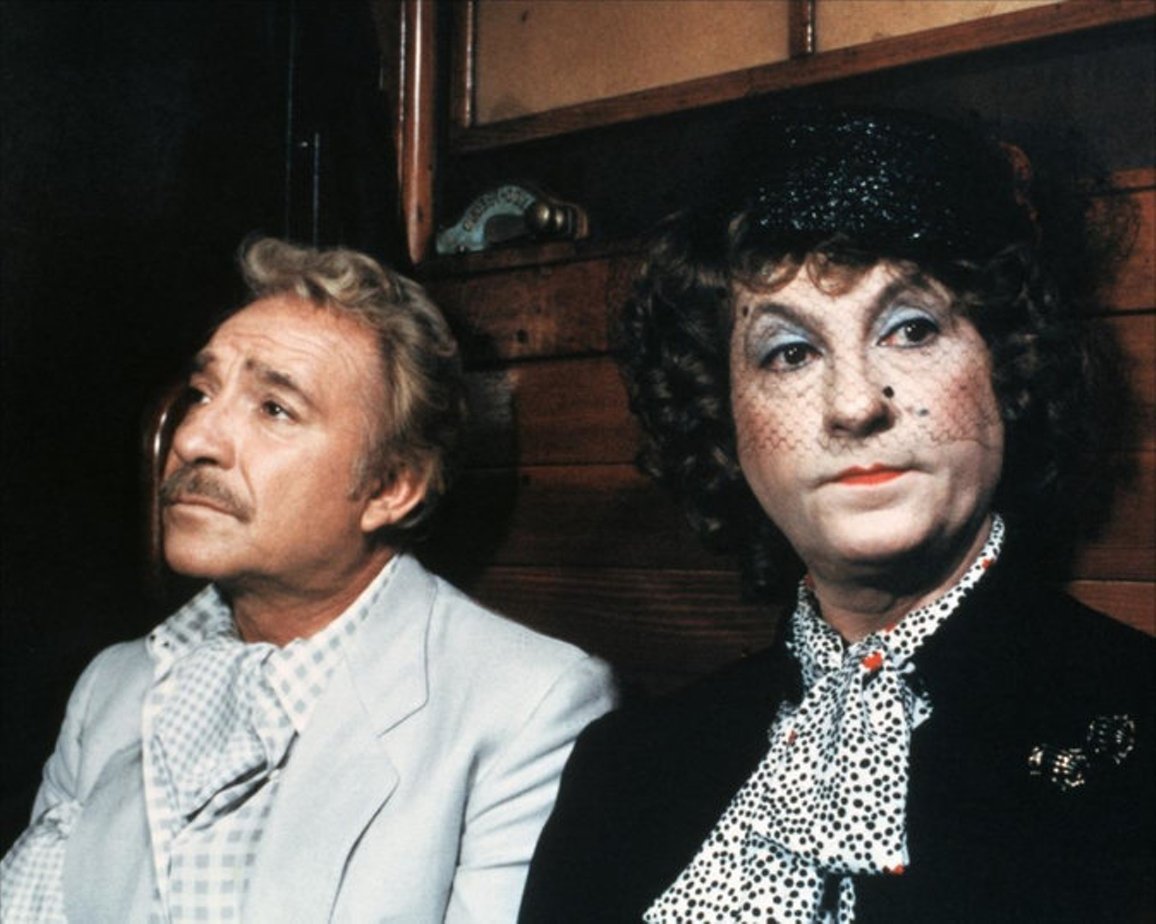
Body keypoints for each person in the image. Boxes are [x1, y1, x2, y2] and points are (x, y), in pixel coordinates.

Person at [518, 109, 1154, 923]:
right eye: (790, 353)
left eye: (912, 330)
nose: (855, 404)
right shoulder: (626, 769)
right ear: (726, 416)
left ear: (1006, 364)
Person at [0, 238, 617, 923]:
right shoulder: (110, 687)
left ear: (390, 487)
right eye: (202, 393)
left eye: (274, 409)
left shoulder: (528, 707)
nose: (194, 439)